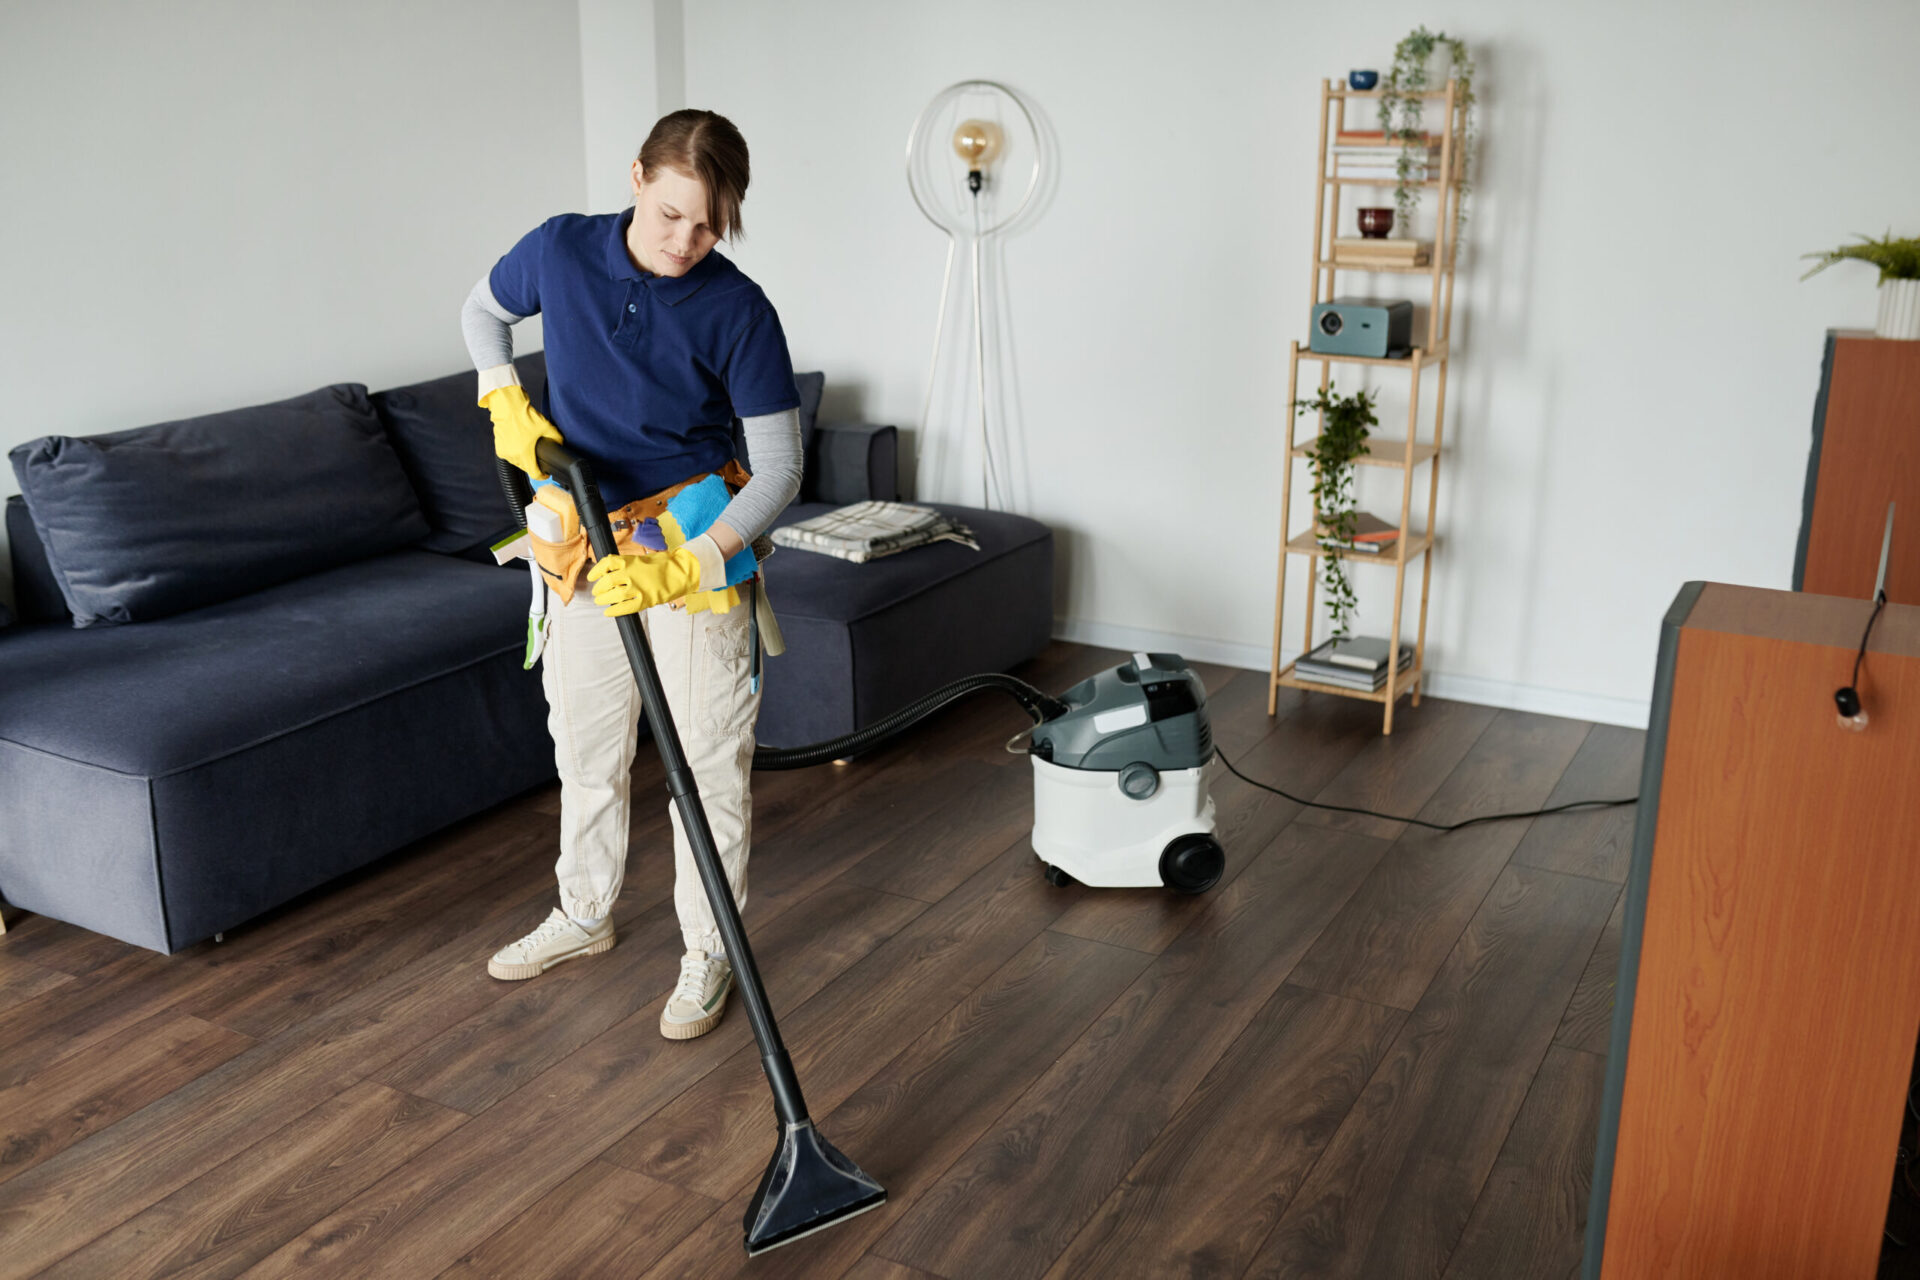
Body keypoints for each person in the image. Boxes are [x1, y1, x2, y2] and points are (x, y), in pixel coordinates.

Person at [459, 109, 803, 1040]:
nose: (685, 241)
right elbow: (480, 312)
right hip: (577, 541)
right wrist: (501, 395)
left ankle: (709, 951)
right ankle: (583, 913)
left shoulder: (738, 308)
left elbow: (779, 467)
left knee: (708, 765)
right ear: (637, 178)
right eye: (668, 215)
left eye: (708, 224)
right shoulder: (561, 253)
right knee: (587, 746)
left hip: (690, 546)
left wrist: (691, 562)